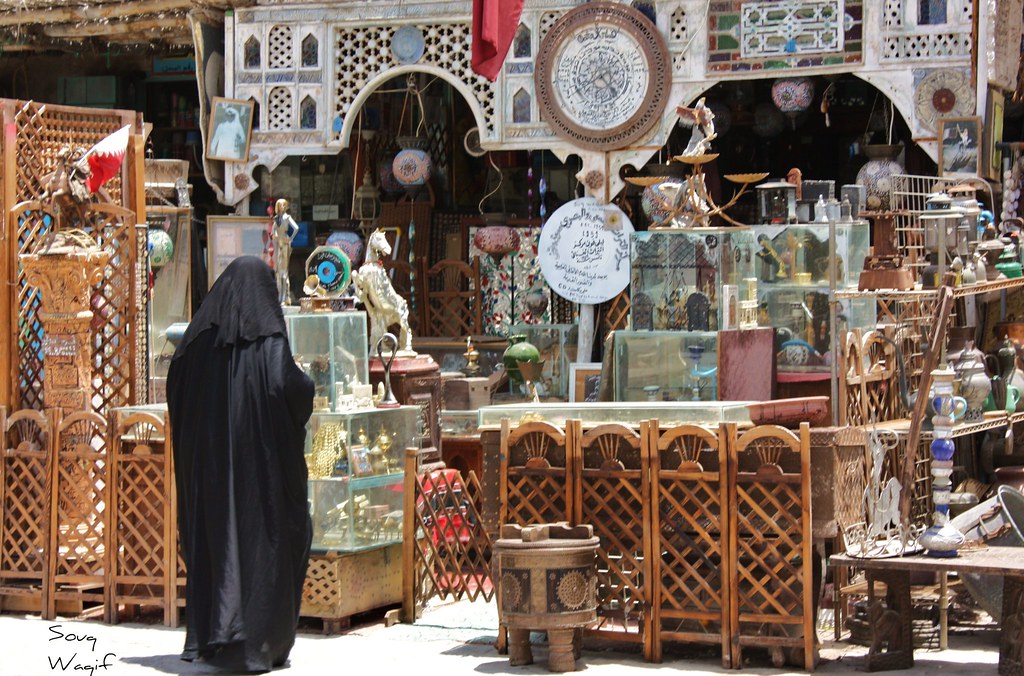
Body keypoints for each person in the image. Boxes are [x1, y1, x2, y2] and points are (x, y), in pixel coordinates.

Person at [167, 256, 314, 673]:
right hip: (261, 474)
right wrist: (311, 384)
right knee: (268, 541)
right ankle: (261, 643)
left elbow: (175, 386)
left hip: (210, 475)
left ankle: (217, 635)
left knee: (218, 543)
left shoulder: (195, 344)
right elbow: (292, 388)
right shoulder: (268, 342)